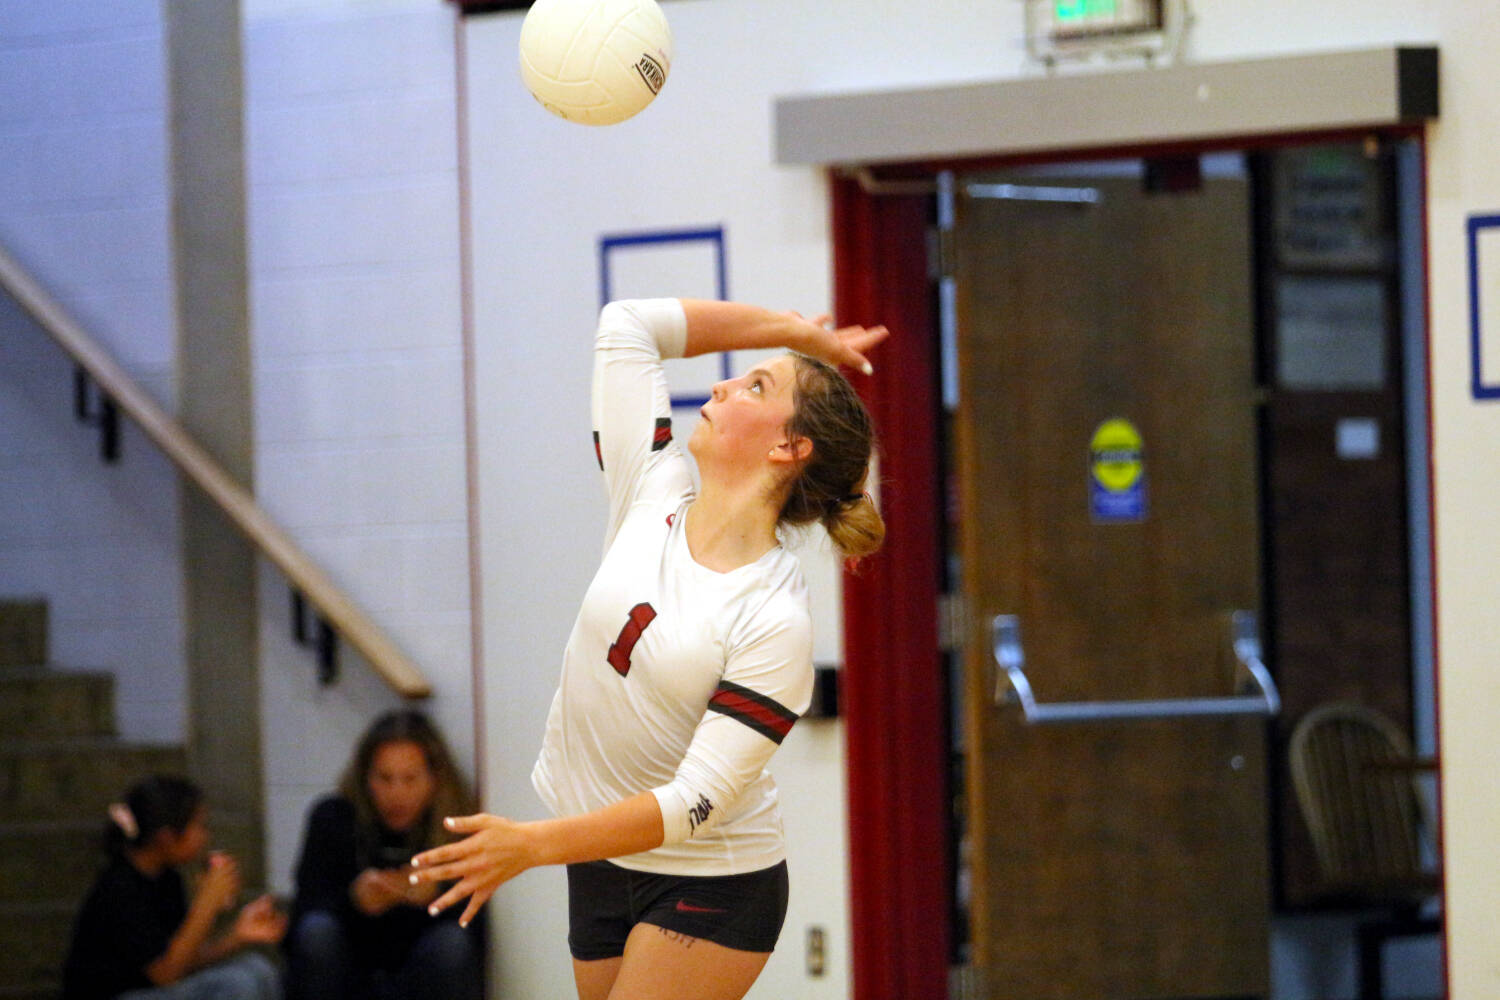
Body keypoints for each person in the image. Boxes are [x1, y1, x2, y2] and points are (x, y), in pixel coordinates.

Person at [409, 298, 887, 1000]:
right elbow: (627, 324)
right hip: (603, 857)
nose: (721, 386)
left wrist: (533, 844)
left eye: (756, 386)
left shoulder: (773, 615)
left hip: (713, 879)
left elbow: (698, 801)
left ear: (789, 449)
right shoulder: (652, 483)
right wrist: (795, 334)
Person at [283, 709, 483, 1000]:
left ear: (434, 780)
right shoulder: (333, 817)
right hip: (349, 969)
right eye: (385, 779)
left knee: (452, 944)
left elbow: (480, 933)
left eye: (410, 779)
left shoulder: (456, 825)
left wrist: (436, 896)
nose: (397, 793)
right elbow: (301, 918)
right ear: (366, 779)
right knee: (317, 933)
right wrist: (354, 901)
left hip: (419, 969)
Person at [61, 775, 285, 1000]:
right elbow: (166, 973)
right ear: (167, 838)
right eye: (199, 826)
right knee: (238, 984)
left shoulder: (168, 879)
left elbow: (184, 961)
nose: (205, 836)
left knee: (258, 969)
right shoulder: (119, 888)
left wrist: (237, 935)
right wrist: (207, 901)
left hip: (151, 988)